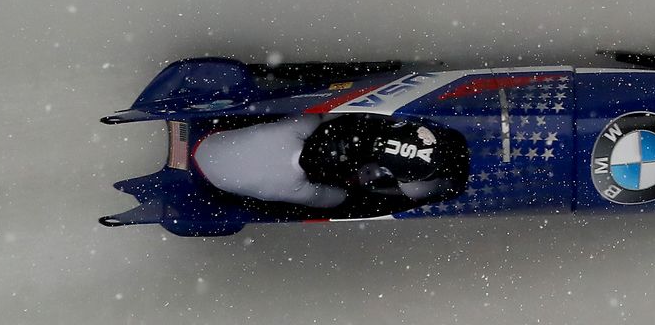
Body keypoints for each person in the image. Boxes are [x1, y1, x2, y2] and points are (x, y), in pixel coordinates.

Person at [192, 114, 462, 209]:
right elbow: (339, 199)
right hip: (215, 163)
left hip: (213, 154)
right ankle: (444, 185)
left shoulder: (294, 176)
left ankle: (443, 185)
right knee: (369, 185)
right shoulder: (296, 179)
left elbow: (336, 198)